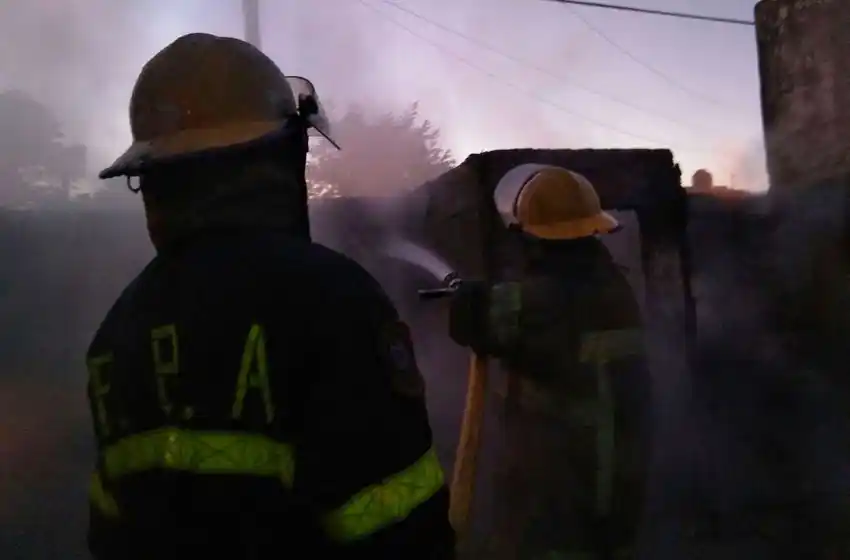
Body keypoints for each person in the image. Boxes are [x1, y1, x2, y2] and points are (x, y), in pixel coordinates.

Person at [84, 33, 454, 560]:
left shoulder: (115, 333)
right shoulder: (333, 302)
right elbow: (402, 530)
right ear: (279, 157)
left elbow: (110, 533)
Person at [448, 164, 651, 559]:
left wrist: (470, 299)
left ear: (531, 237)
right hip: (618, 477)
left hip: (562, 480)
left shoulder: (540, 301)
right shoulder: (615, 286)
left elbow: (472, 323)